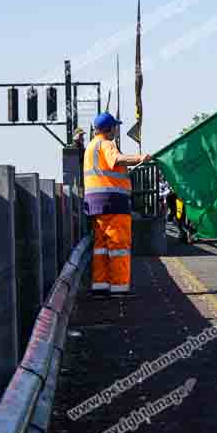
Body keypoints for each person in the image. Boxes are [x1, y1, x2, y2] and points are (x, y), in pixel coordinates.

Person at [83, 112, 150, 295]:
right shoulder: (106, 144)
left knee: (101, 247)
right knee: (119, 245)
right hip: (114, 201)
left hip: (96, 203)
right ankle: (119, 287)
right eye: (115, 127)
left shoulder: (91, 146)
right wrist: (140, 158)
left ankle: (100, 285)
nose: (116, 130)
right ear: (110, 128)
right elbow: (116, 159)